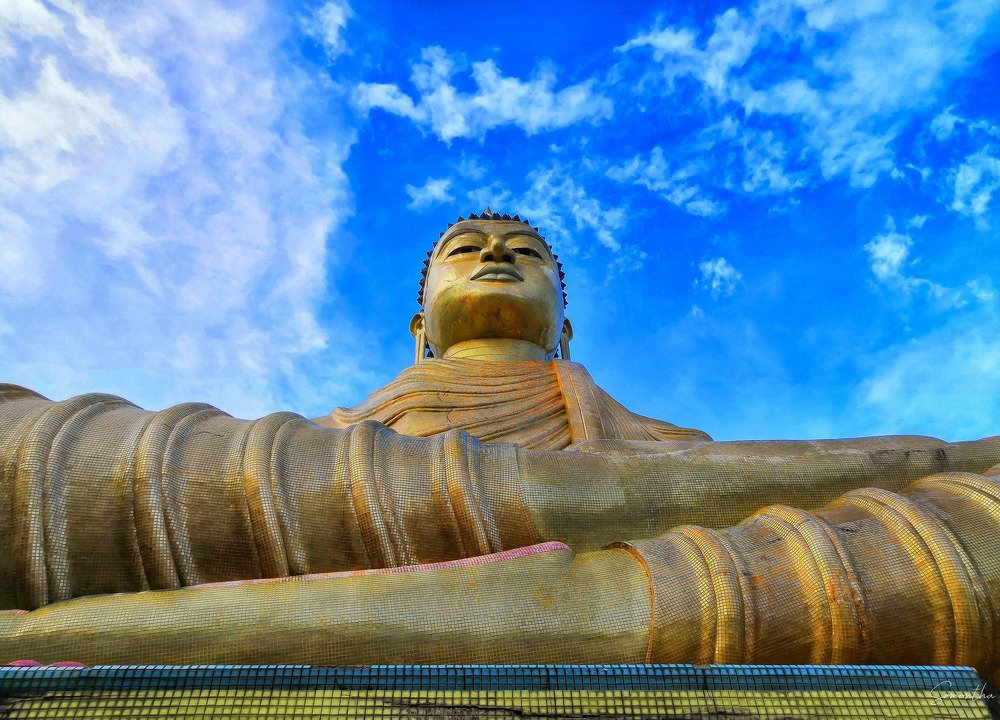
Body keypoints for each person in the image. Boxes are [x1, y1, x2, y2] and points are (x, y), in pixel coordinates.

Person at [1, 210, 999, 678]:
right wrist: (935, 454)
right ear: (418, 326)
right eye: (467, 249)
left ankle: (102, 635)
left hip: (645, 576)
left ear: (564, 327)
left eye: (524, 254)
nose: (494, 256)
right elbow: (231, 492)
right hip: (278, 524)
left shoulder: (661, 442)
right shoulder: (317, 443)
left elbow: (735, 518)